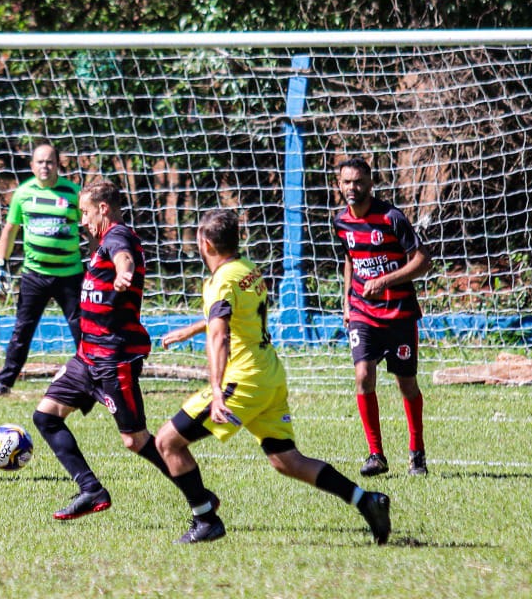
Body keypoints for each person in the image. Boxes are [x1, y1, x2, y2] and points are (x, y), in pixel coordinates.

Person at [158, 210, 392, 545]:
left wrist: (217, 390)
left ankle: (205, 518)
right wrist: (191, 329)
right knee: (287, 460)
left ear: (205, 243)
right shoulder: (246, 270)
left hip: (243, 380)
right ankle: (365, 500)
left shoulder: (219, 281)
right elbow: (229, 316)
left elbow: (220, 335)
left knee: (167, 441)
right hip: (269, 374)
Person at [31, 179, 221, 544]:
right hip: (88, 356)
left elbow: (125, 257)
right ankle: (91, 490)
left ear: (103, 208)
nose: (82, 220)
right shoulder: (102, 241)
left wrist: (124, 272)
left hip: (114, 359)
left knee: (135, 441)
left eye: (85, 212)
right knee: (45, 416)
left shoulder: (119, 237)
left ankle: (202, 503)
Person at [332, 156, 433, 477]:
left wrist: (385, 280)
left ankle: (417, 453)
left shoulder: (391, 218)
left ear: (370, 184)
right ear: (339, 185)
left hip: (399, 314)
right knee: (363, 375)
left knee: (407, 385)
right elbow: (350, 259)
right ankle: (376, 454)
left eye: (358, 182)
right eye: (346, 182)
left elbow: (422, 261)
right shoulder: (340, 222)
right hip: (363, 312)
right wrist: (348, 301)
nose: (352, 188)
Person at [0, 143, 84, 396]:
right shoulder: (23, 193)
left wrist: (100, 262)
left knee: (83, 329)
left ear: (58, 164)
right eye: (40, 162)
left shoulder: (74, 193)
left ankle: (93, 380)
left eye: (50, 161)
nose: (45, 166)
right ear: (32, 166)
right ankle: (4, 383)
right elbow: (10, 231)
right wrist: (1, 264)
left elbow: (91, 228)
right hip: (34, 275)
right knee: (22, 329)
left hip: (70, 275)